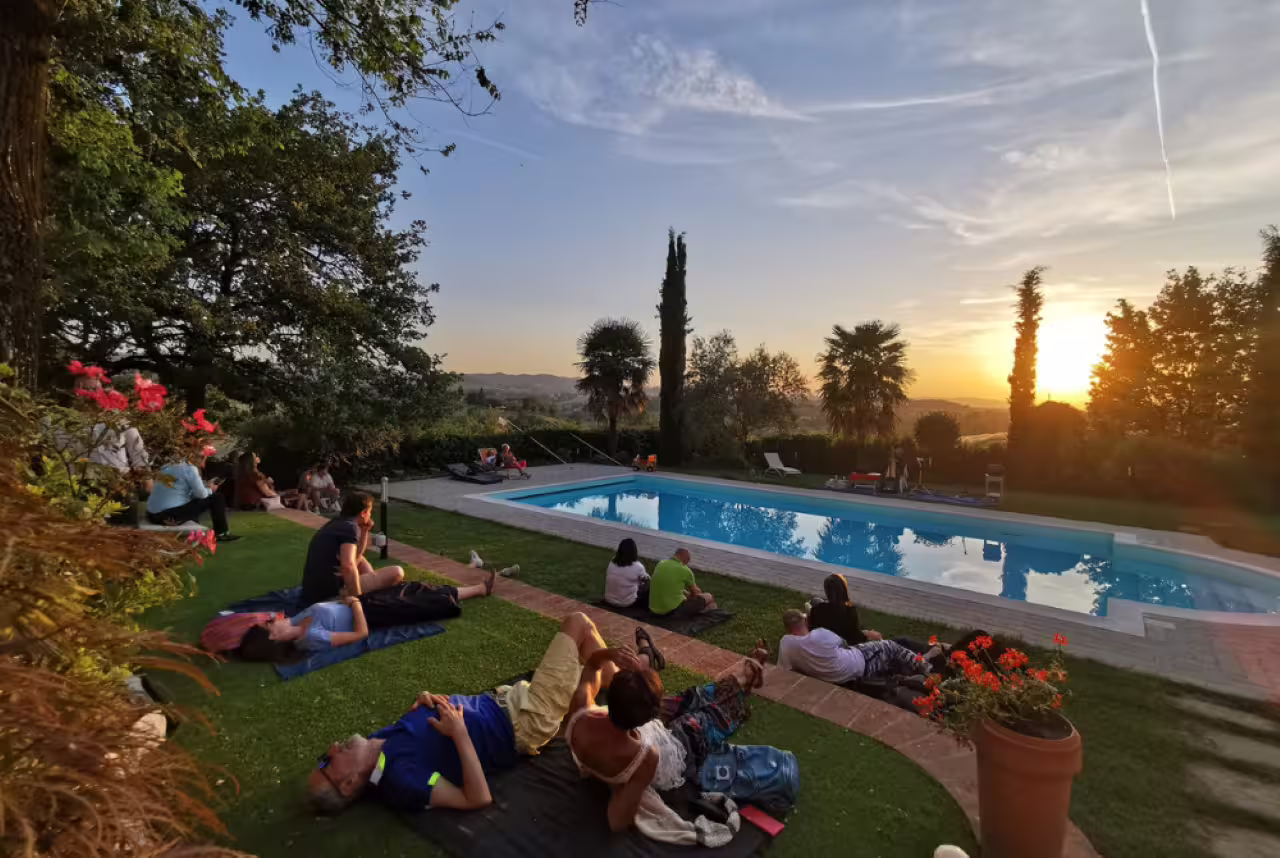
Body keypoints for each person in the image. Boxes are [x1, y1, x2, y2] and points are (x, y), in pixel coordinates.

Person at [305, 612, 617, 814]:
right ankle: (630, 688)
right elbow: (477, 798)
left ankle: (623, 683)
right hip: (525, 719)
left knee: (589, 664)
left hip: (509, 700)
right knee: (578, 624)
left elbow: (420, 735)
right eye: (326, 762)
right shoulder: (402, 779)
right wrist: (459, 732)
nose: (331, 748)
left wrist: (424, 699)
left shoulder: (377, 745)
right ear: (347, 784)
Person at [565, 638, 782, 833]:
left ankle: (744, 676)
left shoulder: (580, 711)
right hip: (677, 746)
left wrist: (611, 654)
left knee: (692, 696)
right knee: (711, 716)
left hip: (642, 726)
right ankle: (747, 678)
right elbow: (618, 822)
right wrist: (620, 790)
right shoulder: (645, 755)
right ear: (645, 721)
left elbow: (592, 665)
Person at [239, 573, 497, 661]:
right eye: (268, 625)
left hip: (361, 603)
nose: (271, 620)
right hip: (371, 614)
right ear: (274, 638)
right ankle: (479, 589)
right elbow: (360, 634)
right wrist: (354, 604)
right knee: (421, 602)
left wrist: (347, 598)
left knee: (412, 588)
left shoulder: (295, 621)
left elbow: (326, 608)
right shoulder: (311, 638)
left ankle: (476, 588)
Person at [299, 491, 403, 608]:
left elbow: (356, 556)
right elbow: (348, 566)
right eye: (370, 512)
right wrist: (357, 601)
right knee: (397, 572)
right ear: (363, 513)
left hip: (313, 592)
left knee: (361, 560)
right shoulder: (350, 528)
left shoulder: (337, 523)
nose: (370, 515)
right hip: (330, 594)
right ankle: (365, 596)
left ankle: (371, 591)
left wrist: (365, 531)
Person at [776, 609, 927, 686]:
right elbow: (844, 644)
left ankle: (909, 669)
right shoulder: (820, 634)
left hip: (837, 674)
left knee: (887, 653)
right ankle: (925, 665)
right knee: (891, 646)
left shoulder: (786, 643)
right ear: (805, 620)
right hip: (859, 664)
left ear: (787, 628)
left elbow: (784, 670)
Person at [146, 449, 240, 541]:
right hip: (168, 517)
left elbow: (180, 490)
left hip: (152, 515)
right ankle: (221, 533)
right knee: (216, 498)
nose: (204, 461)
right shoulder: (190, 469)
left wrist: (204, 487)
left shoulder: (166, 468)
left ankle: (196, 530)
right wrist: (210, 489)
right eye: (203, 457)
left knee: (192, 501)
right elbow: (202, 495)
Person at [807, 573, 882, 645]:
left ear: (826, 591)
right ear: (843, 590)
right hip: (840, 648)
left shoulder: (816, 609)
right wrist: (868, 634)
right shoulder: (849, 612)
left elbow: (812, 630)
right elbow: (854, 637)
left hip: (820, 645)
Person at [647, 548, 715, 616]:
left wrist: (684, 592)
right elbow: (695, 594)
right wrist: (692, 595)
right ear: (685, 558)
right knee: (708, 597)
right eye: (688, 560)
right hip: (671, 611)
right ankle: (712, 614)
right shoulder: (685, 570)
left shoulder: (661, 563)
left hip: (653, 609)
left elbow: (667, 585)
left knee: (685, 594)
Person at [604, 538, 650, 609]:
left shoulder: (612, 562)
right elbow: (646, 580)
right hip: (626, 603)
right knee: (647, 589)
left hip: (609, 599)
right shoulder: (638, 566)